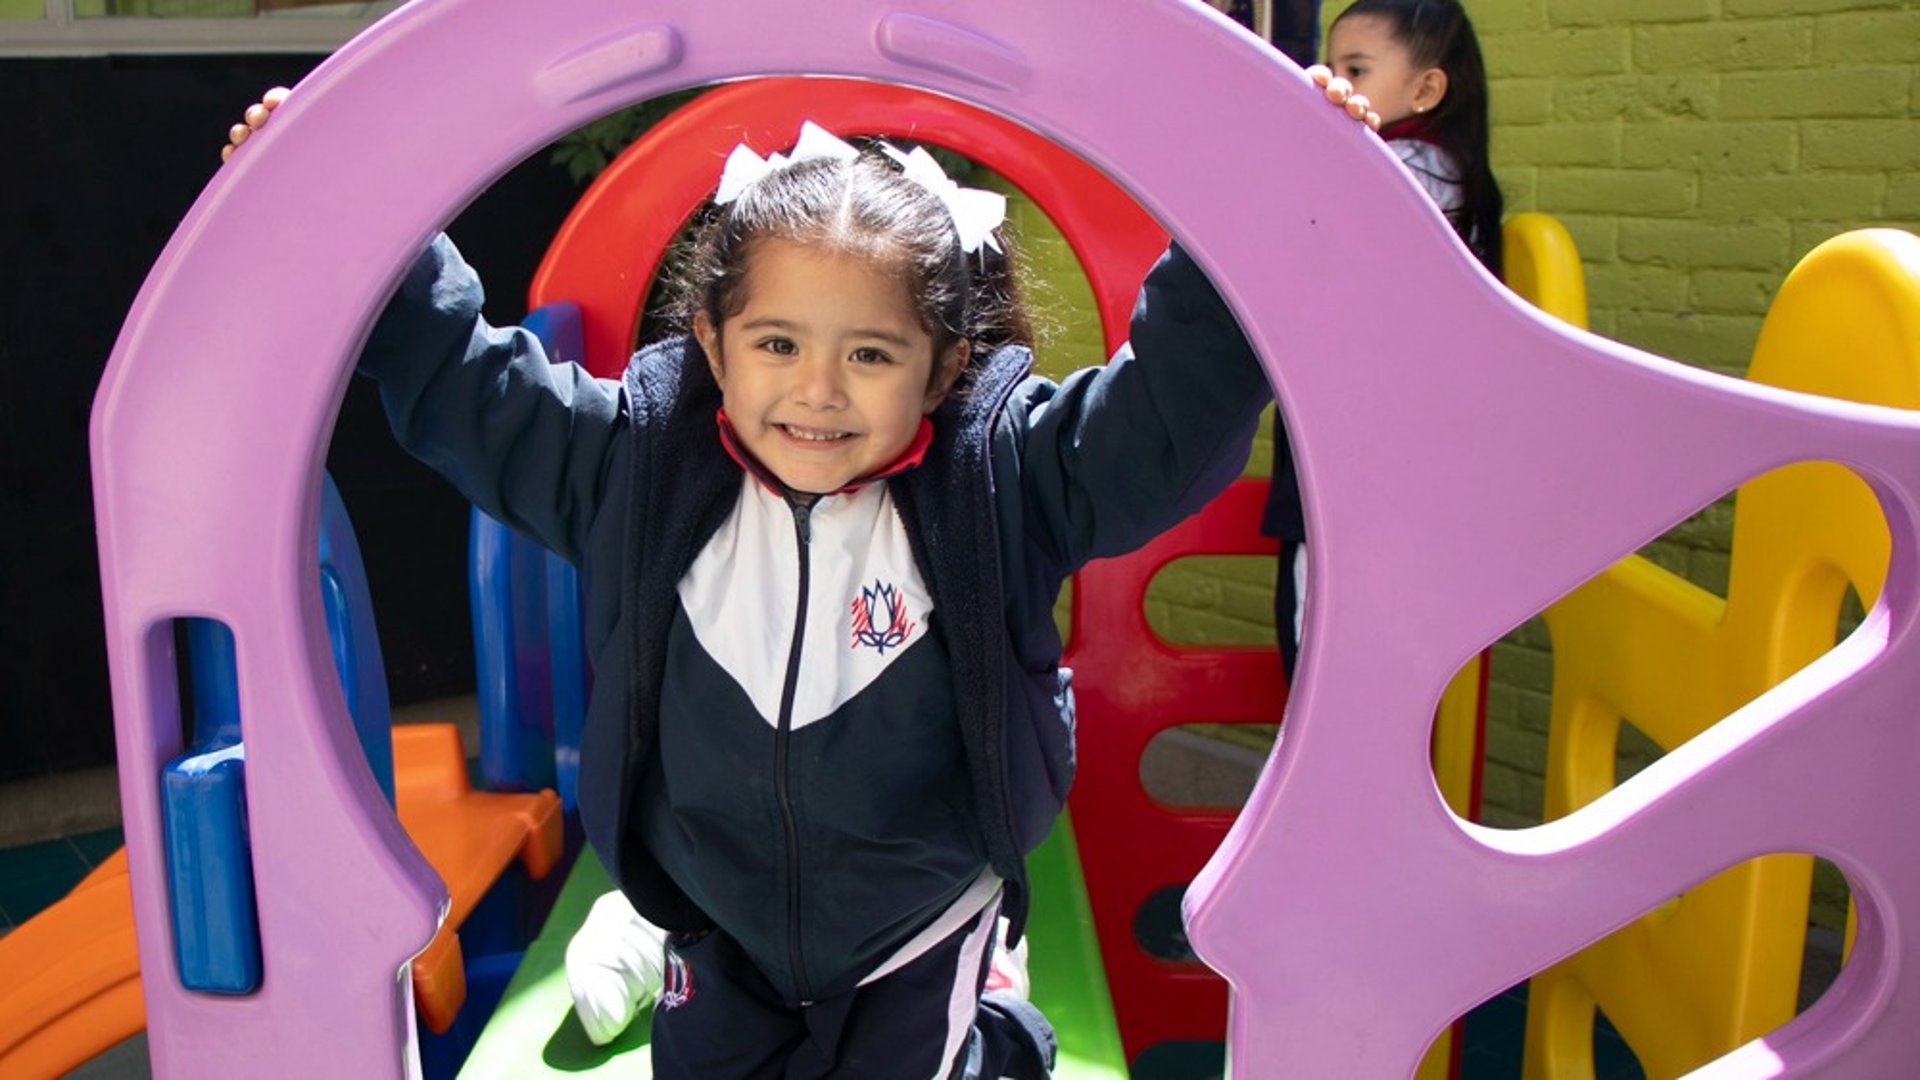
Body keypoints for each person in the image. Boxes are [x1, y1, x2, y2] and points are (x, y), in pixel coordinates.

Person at [225, 83, 1373, 1079]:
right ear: (715, 345)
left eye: (870, 355)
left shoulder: (1003, 481)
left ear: (943, 367)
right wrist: (335, 208)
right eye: (777, 344)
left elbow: (1167, 418)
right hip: (715, 917)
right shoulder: (635, 465)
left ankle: (999, 1035)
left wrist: (1263, 202)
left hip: (915, 921)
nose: (818, 392)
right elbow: (470, 389)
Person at [1264, 0, 1503, 680]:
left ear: (1427, 89)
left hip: (1352, 472)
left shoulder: (1403, 172)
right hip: (1393, 474)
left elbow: (1301, 245)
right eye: (1330, 63)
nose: (1331, 82)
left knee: (1326, 665)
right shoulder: (1444, 177)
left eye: (1356, 69)